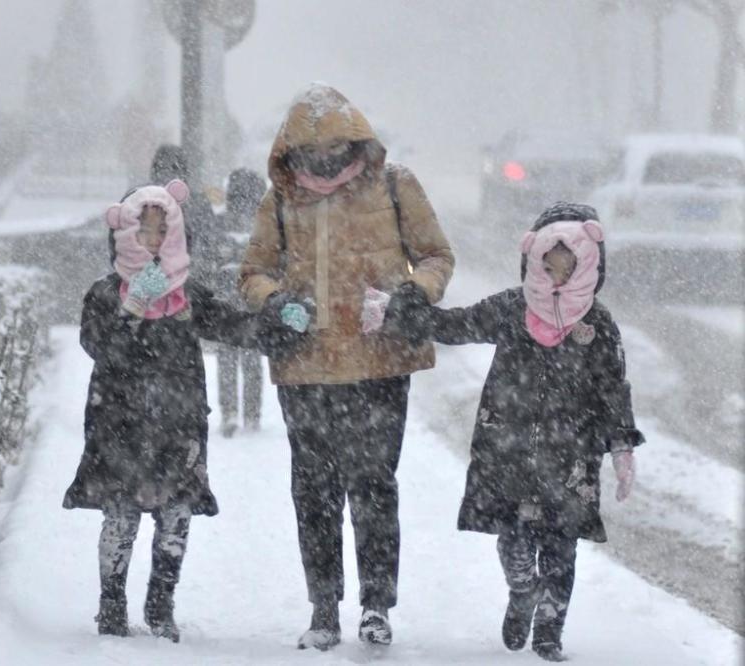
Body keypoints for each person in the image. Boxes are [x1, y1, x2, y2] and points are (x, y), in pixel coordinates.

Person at [368, 202, 644, 662]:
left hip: (570, 457)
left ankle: (551, 629)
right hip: (507, 450)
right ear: (532, 261)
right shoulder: (513, 309)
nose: (555, 276)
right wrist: (395, 312)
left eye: (566, 267)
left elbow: (613, 389)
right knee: (514, 539)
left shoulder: (598, 326)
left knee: (561, 546)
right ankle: (522, 590)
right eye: (547, 265)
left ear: (589, 266)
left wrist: (620, 446)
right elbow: (455, 324)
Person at [239, 83, 455, 650]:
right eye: (312, 155)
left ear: (355, 142)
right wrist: (279, 302)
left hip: (380, 365)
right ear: (292, 153)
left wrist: (415, 293)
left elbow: (436, 255)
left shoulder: (394, 185)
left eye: (335, 151)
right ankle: (323, 607)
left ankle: (377, 605)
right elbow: (253, 272)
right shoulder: (281, 199)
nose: (324, 164)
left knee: (374, 486)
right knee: (313, 493)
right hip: (305, 368)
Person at [61, 179, 297, 642]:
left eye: (161, 234)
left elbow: (236, 328)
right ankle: (111, 605)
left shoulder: (188, 296)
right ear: (124, 236)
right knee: (122, 514)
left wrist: (281, 323)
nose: (152, 243)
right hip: (119, 421)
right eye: (143, 233)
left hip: (179, 420)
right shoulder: (105, 294)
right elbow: (99, 346)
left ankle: (161, 603)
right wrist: (132, 306)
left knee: (176, 515)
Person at [216, 168, 267, 436]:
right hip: (242, 303)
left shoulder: (259, 227)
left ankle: (237, 412)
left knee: (237, 358)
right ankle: (245, 413)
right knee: (246, 358)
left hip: (236, 303)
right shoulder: (261, 226)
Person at [149, 144, 221, 289]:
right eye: (163, 171)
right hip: (187, 288)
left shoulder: (142, 203)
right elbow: (208, 252)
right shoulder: (199, 205)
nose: (166, 176)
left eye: (172, 170)